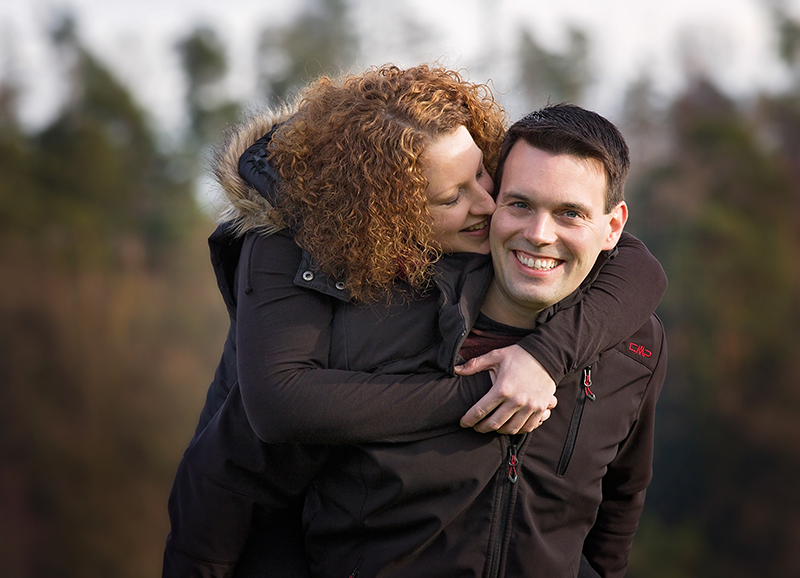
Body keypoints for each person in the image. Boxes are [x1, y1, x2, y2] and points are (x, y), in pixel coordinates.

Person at [162, 65, 666, 577]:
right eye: (453, 198)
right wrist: (487, 391)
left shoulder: (631, 344)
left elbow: (641, 267)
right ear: (392, 217)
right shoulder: (305, 273)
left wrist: (544, 356)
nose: (490, 206)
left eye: (483, 177)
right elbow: (267, 423)